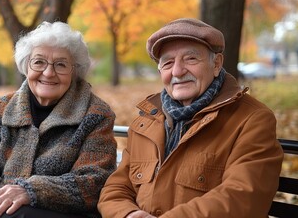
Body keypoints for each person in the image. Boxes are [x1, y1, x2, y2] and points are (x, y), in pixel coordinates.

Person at [98, 18, 284, 218]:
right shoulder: (146, 122)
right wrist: (129, 215)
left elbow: (243, 197)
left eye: (191, 59)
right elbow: (115, 190)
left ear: (216, 64)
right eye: (168, 63)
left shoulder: (252, 120)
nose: (177, 71)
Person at [0, 21, 117, 218]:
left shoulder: (96, 114)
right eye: (39, 62)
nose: (48, 73)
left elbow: (93, 181)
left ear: (74, 71)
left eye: (61, 64)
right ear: (26, 65)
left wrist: (31, 191)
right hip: (5, 206)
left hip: (61, 212)